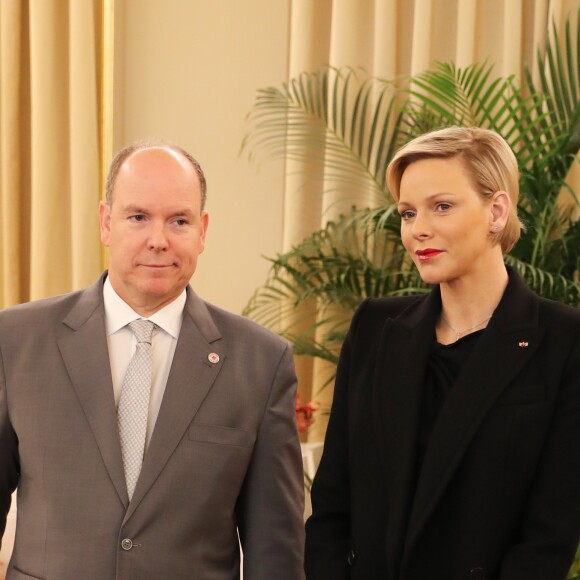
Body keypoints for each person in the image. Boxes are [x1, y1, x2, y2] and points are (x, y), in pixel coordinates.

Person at [0, 140, 305, 580]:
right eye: (138, 217)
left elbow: (275, 549)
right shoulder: (16, 340)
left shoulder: (261, 362)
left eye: (178, 221)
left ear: (202, 230)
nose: (158, 240)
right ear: (107, 222)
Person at [304, 126, 580, 580]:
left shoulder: (565, 341)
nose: (419, 230)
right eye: (408, 213)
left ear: (496, 211)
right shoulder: (375, 327)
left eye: (442, 207)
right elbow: (333, 500)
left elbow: (549, 534)